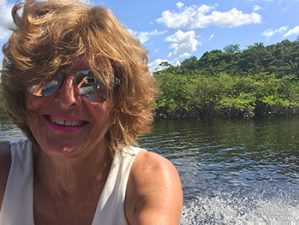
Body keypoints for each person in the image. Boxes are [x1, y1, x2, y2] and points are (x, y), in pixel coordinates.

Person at [0, 0, 183, 224]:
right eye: (45, 79)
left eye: (92, 82)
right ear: (22, 93)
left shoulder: (147, 178)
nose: (67, 100)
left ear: (119, 101)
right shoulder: (5, 169)